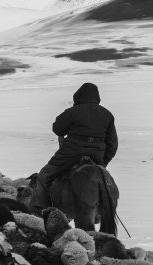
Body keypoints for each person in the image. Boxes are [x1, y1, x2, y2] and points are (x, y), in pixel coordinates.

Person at [30, 82, 118, 211]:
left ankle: (40, 210)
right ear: (97, 97)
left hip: (70, 154)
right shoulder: (107, 115)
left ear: (78, 97)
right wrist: (102, 163)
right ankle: (104, 211)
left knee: (45, 175)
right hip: (97, 156)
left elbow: (58, 129)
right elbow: (112, 144)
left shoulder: (73, 112)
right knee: (107, 182)